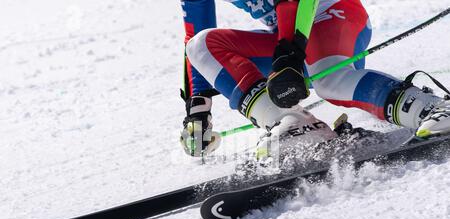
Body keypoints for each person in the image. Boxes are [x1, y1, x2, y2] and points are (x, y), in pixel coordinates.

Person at [179, 0, 450, 158]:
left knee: (331, 81)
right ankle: (294, 125)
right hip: (287, 37)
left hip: (329, 13)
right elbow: (196, 31)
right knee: (201, 45)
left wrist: (288, 55)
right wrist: (198, 112)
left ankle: (431, 107)